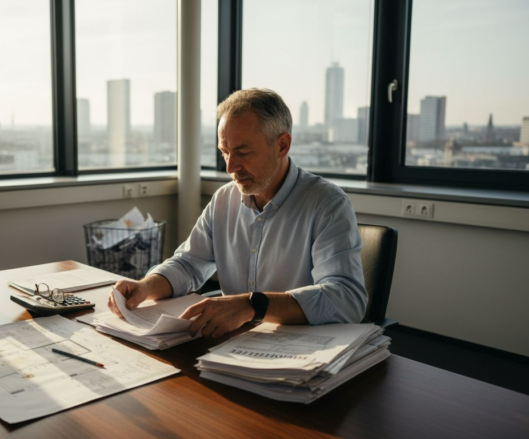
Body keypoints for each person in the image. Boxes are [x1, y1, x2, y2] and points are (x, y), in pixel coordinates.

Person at [108, 88, 367, 339]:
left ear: (282, 145)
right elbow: (189, 264)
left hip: (298, 349)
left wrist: (253, 305)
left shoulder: (326, 204)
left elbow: (346, 300)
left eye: (243, 152)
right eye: (225, 152)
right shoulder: (224, 199)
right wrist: (146, 286)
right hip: (231, 341)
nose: (231, 167)